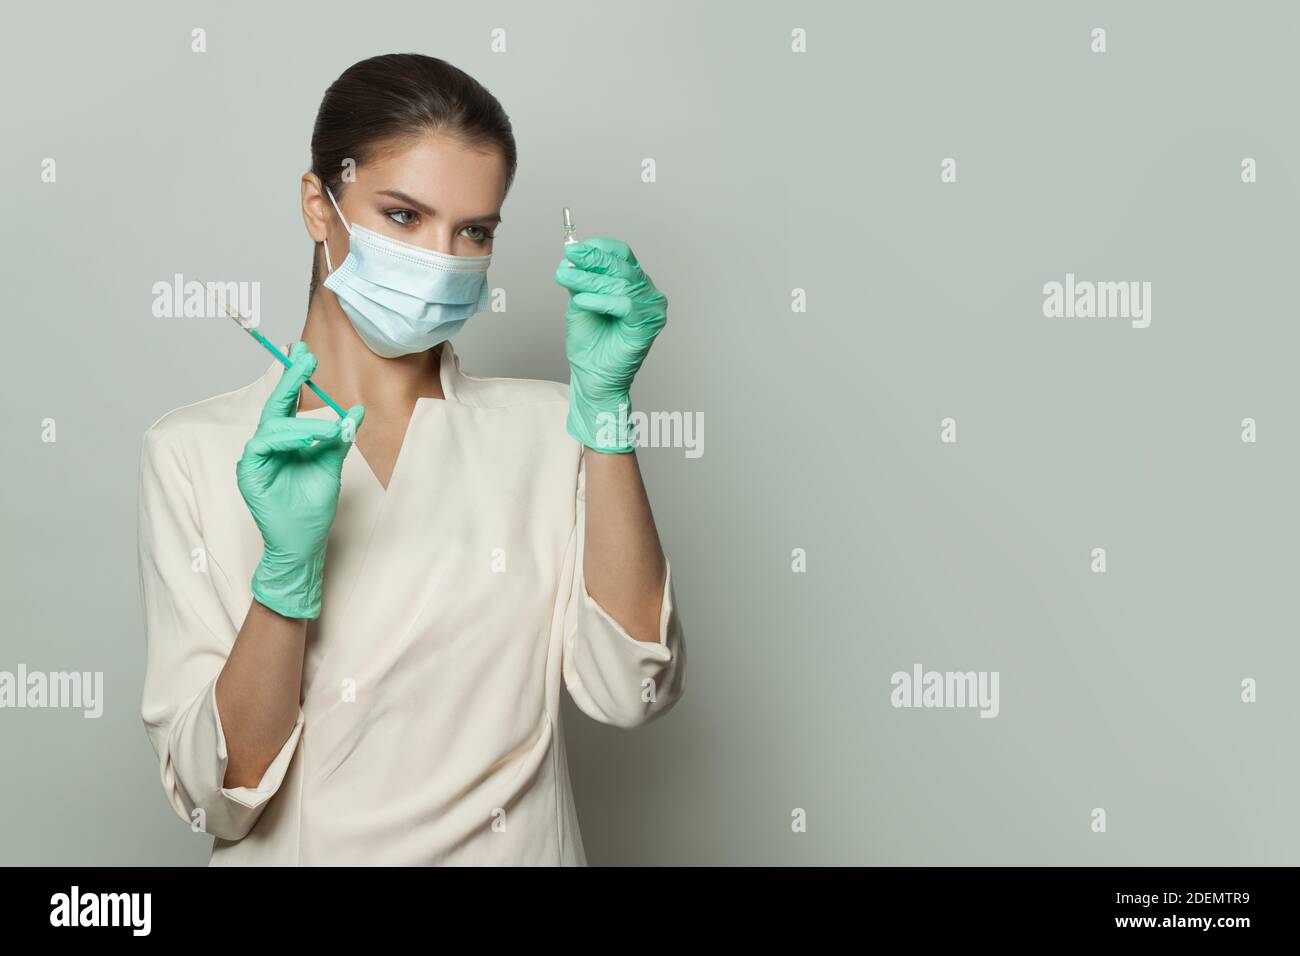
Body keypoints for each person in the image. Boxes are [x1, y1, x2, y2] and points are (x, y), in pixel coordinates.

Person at [137, 53, 685, 866]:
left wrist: (604, 414)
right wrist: (286, 578)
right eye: (402, 216)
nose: (441, 257)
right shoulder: (196, 451)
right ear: (319, 206)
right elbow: (222, 800)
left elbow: (632, 691)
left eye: (474, 230)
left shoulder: (551, 430)